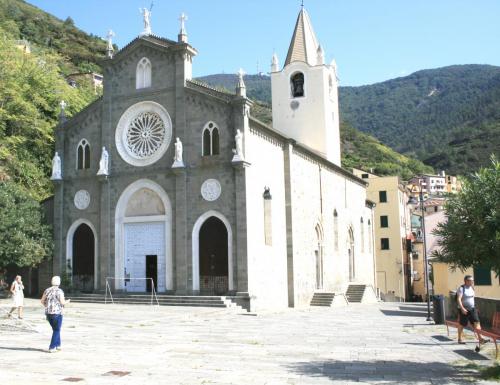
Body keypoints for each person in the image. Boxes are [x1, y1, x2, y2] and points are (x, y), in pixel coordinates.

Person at [41, 276, 70, 353]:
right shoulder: (59, 291)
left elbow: (42, 301)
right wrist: (67, 301)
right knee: (56, 330)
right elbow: (62, 302)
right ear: (59, 282)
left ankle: (58, 345)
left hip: (48, 313)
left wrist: (47, 306)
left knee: (56, 329)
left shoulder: (47, 290)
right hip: (57, 313)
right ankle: (52, 347)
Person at [457, 275, 488, 345]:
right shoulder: (461, 288)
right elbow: (458, 299)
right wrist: (462, 308)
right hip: (464, 309)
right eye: (471, 280)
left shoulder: (472, 288)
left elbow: (472, 298)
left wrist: (474, 307)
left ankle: (481, 339)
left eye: (472, 281)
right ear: (466, 281)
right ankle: (459, 339)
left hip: (472, 309)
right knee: (462, 324)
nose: (472, 282)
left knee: (477, 322)